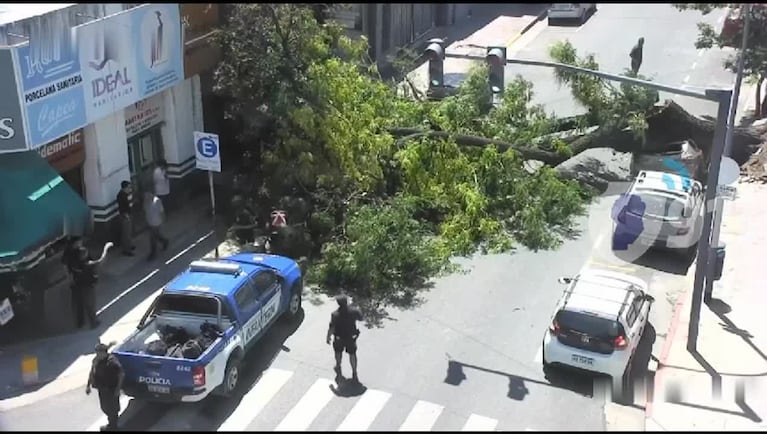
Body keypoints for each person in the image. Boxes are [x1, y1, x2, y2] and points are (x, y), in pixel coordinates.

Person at [71, 242, 114, 329]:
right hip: (87, 287)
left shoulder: (75, 265)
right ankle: (93, 323)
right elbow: (101, 261)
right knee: (90, 305)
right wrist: (106, 248)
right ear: (83, 255)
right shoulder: (88, 265)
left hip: (78, 286)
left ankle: (80, 323)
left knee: (81, 305)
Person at [86, 341, 124, 431]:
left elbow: (121, 374)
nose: (97, 354)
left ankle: (113, 426)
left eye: (99, 352)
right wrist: (88, 385)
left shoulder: (112, 362)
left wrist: (118, 389)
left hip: (111, 389)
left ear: (104, 353)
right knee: (105, 407)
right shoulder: (96, 360)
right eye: (96, 352)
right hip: (101, 388)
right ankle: (112, 424)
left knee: (113, 409)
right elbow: (92, 372)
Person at [326, 294, 363, 383]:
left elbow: (332, 328)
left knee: (338, 352)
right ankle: (354, 371)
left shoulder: (335, 314)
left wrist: (328, 337)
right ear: (346, 302)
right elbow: (361, 318)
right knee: (352, 354)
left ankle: (338, 365)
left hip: (339, 337)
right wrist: (357, 309)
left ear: (338, 303)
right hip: (351, 337)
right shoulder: (354, 311)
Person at [62, 236, 84, 327]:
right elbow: (65, 267)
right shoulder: (69, 253)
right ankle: (79, 321)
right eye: (79, 242)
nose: (81, 244)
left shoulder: (80, 250)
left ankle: (81, 319)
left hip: (81, 277)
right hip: (75, 278)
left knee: (81, 300)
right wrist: (69, 278)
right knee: (78, 300)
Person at [143, 191, 169, 261]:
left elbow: (161, 212)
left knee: (152, 238)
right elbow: (146, 212)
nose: (146, 196)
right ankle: (165, 241)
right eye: (145, 195)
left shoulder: (157, 201)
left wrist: (163, 220)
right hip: (150, 222)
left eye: (148, 195)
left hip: (156, 222)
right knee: (156, 235)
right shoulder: (146, 201)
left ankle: (153, 253)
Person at [116, 181, 135, 256]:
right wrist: (126, 215)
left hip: (128, 214)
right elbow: (123, 207)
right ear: (125, 188)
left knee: (129, 231)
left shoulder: (126, 194)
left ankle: (130, 245)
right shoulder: (121, 196)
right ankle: (126, 250)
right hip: (125, 215)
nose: (130, 189)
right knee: (126, 233)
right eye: (128, 187)